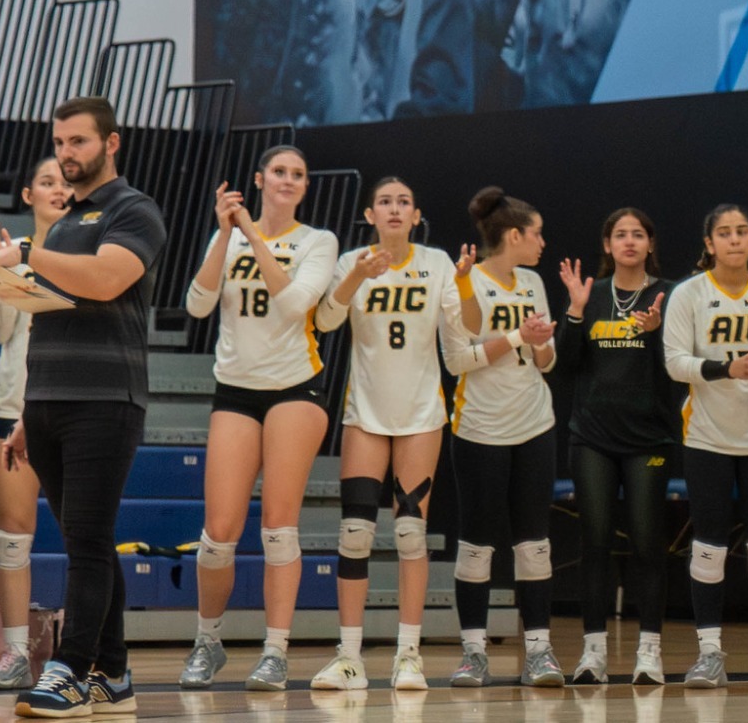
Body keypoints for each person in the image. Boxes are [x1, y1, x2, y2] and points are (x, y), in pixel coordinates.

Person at [0, 97, 168, 717]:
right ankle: (112, 675)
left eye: (79, 141)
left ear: (111, 143)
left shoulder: (134, 210)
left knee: (87, 541)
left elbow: (106, 279)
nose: (66, 153)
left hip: (105, 398)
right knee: (90, 540)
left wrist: (26, 253)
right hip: (47, 403)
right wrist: (27, 414)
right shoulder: (62, 226)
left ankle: (70, 668)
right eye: (60, 142)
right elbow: (44, 321)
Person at [179, 146, 341, 691]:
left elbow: (295, 306)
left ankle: (275, 651)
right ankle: (208, 641)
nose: (288, 180)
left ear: (305, 186)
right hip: (236, 389)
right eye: (279, 172)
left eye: (298, 174)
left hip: (295, 387)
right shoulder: (226, 237)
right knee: (218, 533)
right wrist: (227, 234)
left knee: (278, 526)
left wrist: (251, 233)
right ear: (259, 179)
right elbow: (197, 305)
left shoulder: (317, 241)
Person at [308, 177, 473, 691]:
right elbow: (325, 322)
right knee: (354, 534)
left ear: (416, 215)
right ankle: (349, 658)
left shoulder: (438, 262)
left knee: (409, 534)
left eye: (404, 202)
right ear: (370, 214)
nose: (395, 209)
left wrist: (466, 284)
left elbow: (465, 331)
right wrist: (357, 277)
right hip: (366, 413)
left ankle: (409, 656)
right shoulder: (352, 261)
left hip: (421, 414)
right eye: (385, 202)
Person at [662, 205, 748, 690]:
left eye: (742, 231)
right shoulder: (689, 294)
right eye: (724, 233)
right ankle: (709, 655)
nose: (734, 239)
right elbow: (675, 362)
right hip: (707, 437)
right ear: (710, 243)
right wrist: (728, 369)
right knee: (709, 546)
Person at [444, 187, 563, 687]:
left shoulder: (532, 281)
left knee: (535, 544)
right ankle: (474, 653)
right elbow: (458, 361)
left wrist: (541, 345)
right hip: (480, 428)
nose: (542, 242)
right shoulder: (464, 280)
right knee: (477, 544)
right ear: (514, 235)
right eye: (537, 234)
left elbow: (546, 361)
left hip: (534, 424)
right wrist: (518, 337)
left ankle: (539, 652)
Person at [557, 208, 680, 685]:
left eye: (638, 234)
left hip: (649, 438)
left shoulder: (669, 295)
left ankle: (649, 652)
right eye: (620, 235)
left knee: (648, 543)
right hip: (592, 437)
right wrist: (574, 312)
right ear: (607, 245)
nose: (629, 241)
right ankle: (593, 654)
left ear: (650, 243)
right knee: (595, 542)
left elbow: (678, 368)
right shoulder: (591, 294)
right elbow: (564, 367)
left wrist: (655, 333)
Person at [0, 159, 70, 690]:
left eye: (65, 181)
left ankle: (89, 654)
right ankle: (15, 654)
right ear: (28, 193)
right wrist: (1, 277)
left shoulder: (90, 253)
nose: (59, 189)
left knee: (86, 533)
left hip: (72, 406)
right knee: (12, 536)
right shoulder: (10, 250)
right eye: (47, 182)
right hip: (12, 405)